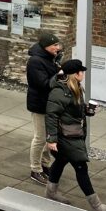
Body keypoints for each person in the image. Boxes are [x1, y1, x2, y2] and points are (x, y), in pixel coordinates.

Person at [45, 59, 106, 211]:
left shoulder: (75, 88)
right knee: (81, 167)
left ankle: (51, 192)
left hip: (73, 134)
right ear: (75, 74)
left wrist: (87, 111)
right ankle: (96, 205)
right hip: (66, 137)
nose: (83, 74)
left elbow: (72, 110)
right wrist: (51, 139)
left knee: (61, 161)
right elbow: (51, 116)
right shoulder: (59, 91)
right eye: (81, 71)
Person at [26, 33, 63, 185]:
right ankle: (35, 169)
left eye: (58, 45)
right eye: (54, 45)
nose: (58, 47)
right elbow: (43, 84)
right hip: (40, 105)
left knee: (49, 137)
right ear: (46, 46)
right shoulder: (35, 61)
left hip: (50, 104)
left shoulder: (50, 58)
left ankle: (44, 165)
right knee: (40, 138)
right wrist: (59, 75)